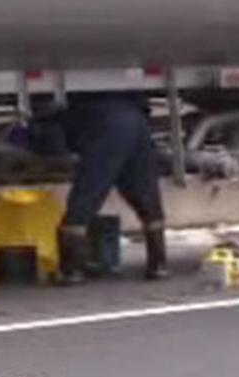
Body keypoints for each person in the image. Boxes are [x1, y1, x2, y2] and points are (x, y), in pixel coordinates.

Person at [55, 92, 168, 284]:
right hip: (136, 120)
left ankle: (71, 269)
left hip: (104, 124)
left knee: (86, 194)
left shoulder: (71, 105)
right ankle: (158, 265)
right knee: (146, 193)